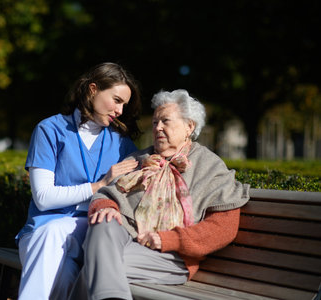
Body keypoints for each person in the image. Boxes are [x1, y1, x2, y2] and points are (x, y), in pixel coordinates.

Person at [70, 89, 250, 300]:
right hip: (125, 240)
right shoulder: (138, 159)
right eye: (155, 122)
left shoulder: (209, 167)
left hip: (171, 256)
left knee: (99, 262)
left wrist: (169, 239)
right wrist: (105, 207)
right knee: (103, 224)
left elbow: (224, 227)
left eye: (165, 121)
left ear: (189, 126)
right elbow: (105, 195)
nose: (158, 128)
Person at [15, 62, 142, 300]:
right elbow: (43, 199)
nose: (120, 110)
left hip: (90, 233)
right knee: (63, 278)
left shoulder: (122, 143)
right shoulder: (49, 130)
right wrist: (100, 184)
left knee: (54, 232)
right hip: (40, 234)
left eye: (124, 104)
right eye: (116, 100)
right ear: (92, 89)